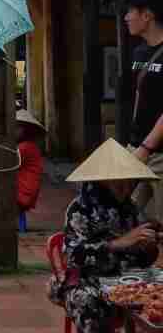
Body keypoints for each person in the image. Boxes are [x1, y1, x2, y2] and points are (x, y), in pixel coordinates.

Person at [49, 138, 160, 332]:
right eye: (118, 182)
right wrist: (118, 244)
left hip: (123, 278)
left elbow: (141, 258)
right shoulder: (79, 209)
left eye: (128, 181)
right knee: (88, 304)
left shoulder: (130, 208)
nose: (126, 187)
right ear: (102, 180)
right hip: (84, 279)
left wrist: (146, 248)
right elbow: (74, 256)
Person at [124, 0, 163, 222]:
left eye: (130, 12)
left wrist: (147, 148)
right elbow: (139, 99)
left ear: (147, 15)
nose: (126, 18)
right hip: (137, 149)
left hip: (156, 152)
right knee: (120, 216)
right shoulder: (138, 53)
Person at [16, 109, 45, 215]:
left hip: (22, 194)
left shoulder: (24, 148)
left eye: (16, 127)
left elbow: (6, 163)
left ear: (24, 130)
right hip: (27, 193)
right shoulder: (31, 146)